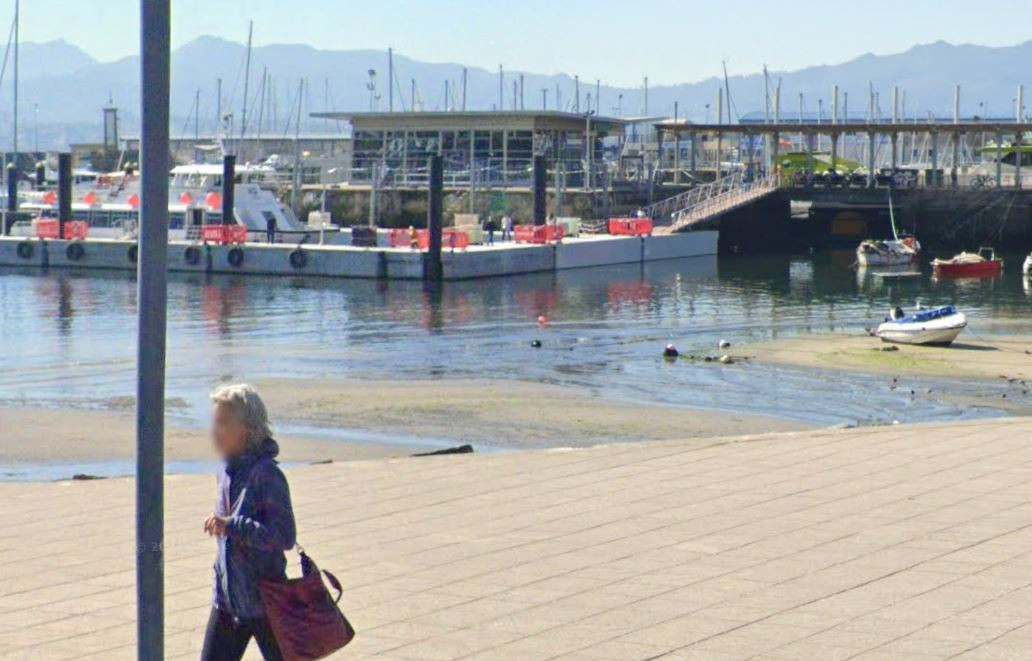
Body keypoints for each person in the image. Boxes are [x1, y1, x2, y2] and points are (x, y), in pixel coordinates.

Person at [201, 384, 295, 661]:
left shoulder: (268, 475)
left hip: (266, 603)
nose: (214, 431)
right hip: (228, 603)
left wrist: (232, 525)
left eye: (222, 423)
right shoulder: (225, 472)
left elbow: (284, 537)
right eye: (213, 422)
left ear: (246, 429)